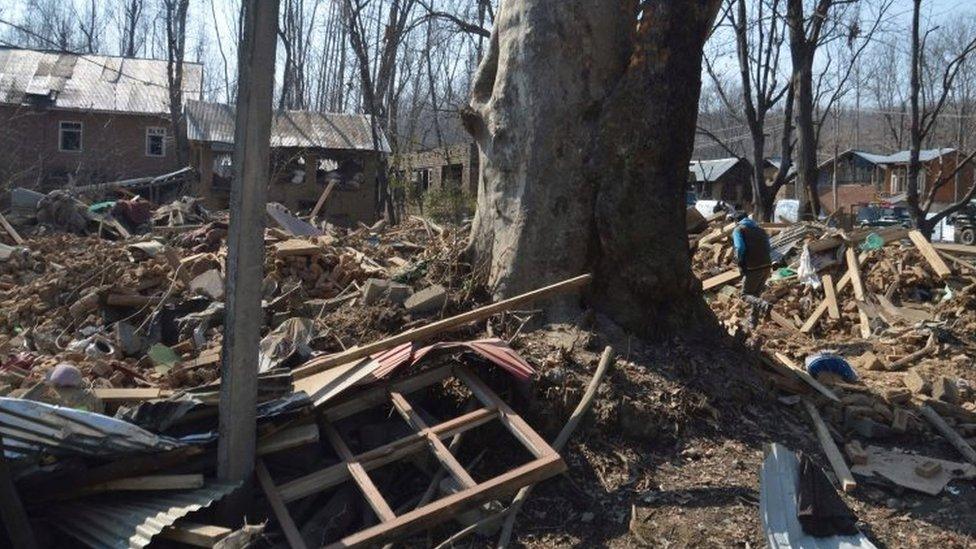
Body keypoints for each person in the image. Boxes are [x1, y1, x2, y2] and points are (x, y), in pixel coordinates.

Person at [731, 212, 772, 326]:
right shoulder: (760, 230)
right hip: (767, 265)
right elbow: (769, 247)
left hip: (753, 267)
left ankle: (764, 305)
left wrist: (738, 261)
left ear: (736, 221)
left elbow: (739, 247)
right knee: (755, 294)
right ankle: (753, 322)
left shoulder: (738, 230)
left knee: (745, 295)